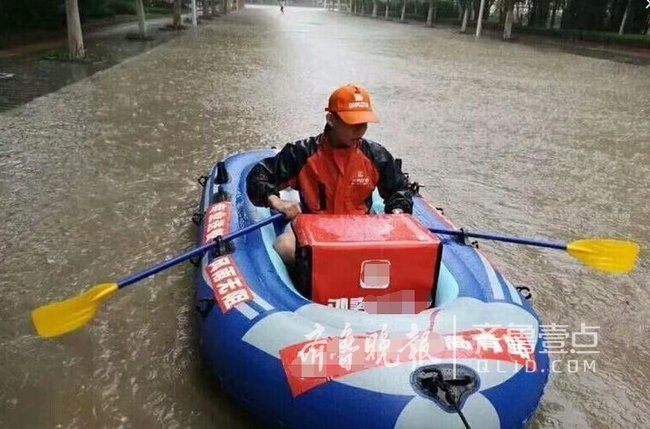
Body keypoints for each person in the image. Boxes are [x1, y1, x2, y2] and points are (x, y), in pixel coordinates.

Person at [246, 84, 413, 266]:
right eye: (353, 123)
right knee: (284, 247)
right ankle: (302, 288)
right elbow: (259, 175)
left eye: (363, 123)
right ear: (331, 119)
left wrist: (398, 212)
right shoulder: (302, 153)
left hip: (360, 230)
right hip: (312, 229)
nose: (360, 130)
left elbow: (400, 189)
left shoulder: (376, 155)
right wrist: (276, 202)